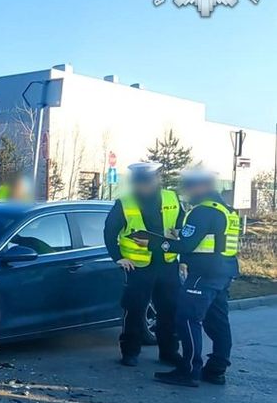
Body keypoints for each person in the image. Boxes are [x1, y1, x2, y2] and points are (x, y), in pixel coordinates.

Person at [150, 168, 240, 387]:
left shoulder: (203, 211)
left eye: (190, 187)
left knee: (188, 319)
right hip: (224, 271)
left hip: (203, 274)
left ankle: (188, 370)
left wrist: (156, 242)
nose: (187, 192)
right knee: (218, 321)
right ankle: (217, 369)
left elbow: (186, 245)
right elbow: (208, 239)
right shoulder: (227, 210)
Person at [102, 161, 183, 367]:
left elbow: (180, 229)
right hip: (138, 267)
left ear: (156, 180)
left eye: (146, 181)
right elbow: (110, 233)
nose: (142, 186)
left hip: (167, 264)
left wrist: (166, 244)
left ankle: (168, 352)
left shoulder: (171, 198)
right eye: (138, 182)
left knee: (168, 310)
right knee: (134, 310)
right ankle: (130, 352)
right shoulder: (125, 202)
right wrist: (118, 257)